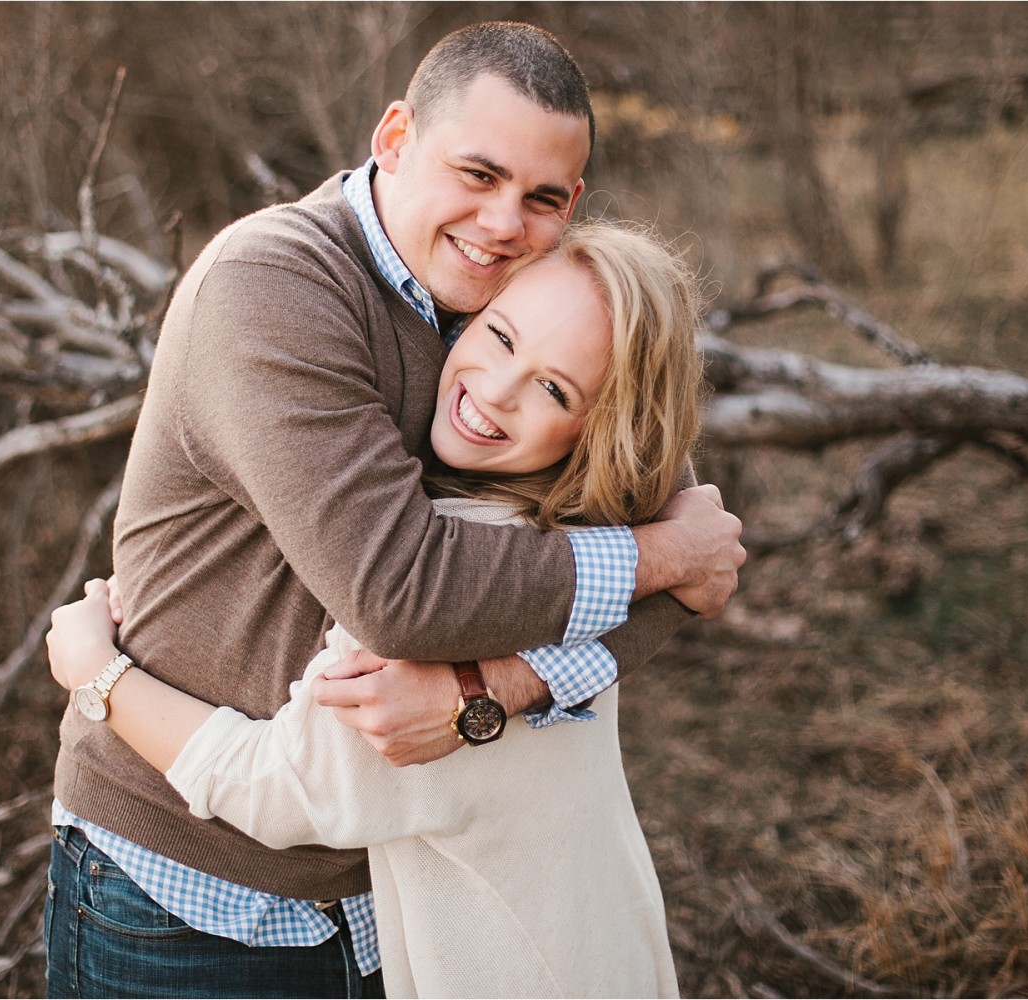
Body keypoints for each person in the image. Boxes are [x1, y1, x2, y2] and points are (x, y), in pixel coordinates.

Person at [46, 21, 744, 999]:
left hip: (394, 894)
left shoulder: (528, 294)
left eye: (541, 197)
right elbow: (406, 593)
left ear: (573, 202)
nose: (503, 221)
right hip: (190, 893)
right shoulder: (278, 284)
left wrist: (491, 689)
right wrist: (99, 677)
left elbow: (677, 554)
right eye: (477, 172)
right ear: (393, 138)